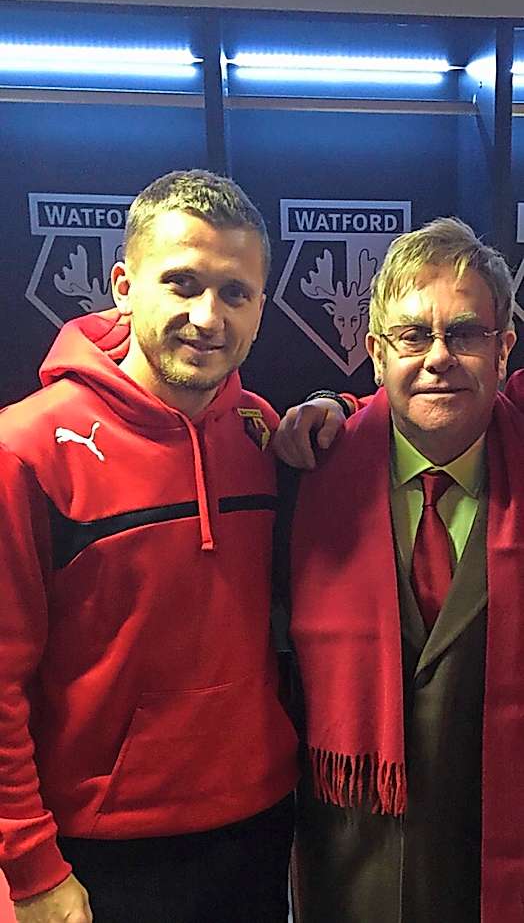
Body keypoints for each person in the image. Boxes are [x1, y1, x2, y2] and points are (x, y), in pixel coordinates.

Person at [0, 169, 298, 923]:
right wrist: (31, 867)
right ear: (124, 285)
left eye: (235, 293)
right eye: (182, 283)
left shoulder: (263, 432)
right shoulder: (25, 449)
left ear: (261, 308)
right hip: (100, 854)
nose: (208, 317)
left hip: (257, 827)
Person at [273, 218, 524, 923]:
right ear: (377, 353)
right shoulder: (302, 475)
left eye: (465, 333)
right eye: (413, 336)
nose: (439, 357)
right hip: (347, 873)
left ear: (503, 348)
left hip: (499, 869)